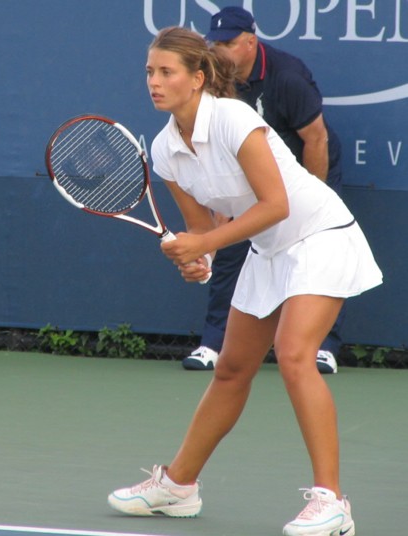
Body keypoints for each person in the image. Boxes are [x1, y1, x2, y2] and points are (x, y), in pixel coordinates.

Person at [107, 26, 382, 536]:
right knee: (232, 368)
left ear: (198, 77)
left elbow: (275, 204)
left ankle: (333, 502)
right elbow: (204, 230)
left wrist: (205, 245)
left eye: (167, 72)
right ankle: (178, 486)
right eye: (150, 71)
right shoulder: (166, 149)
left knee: (295, 354)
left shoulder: (234, 118)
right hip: (268, 249)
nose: (155, 82)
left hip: (318, 234)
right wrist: (196, 258)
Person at [183, 6, 344, 374]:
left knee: (316, 253)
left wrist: (311, 203)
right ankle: (213, 343)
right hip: (251, 172)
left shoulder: (286, 77)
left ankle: (323, 347)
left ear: (251, 42)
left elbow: (315, 138)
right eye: (214, 42)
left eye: (228, 42)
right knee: (230, 247)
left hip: (305, 166)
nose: (218, 49)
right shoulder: (212, 80)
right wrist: (224, 205)